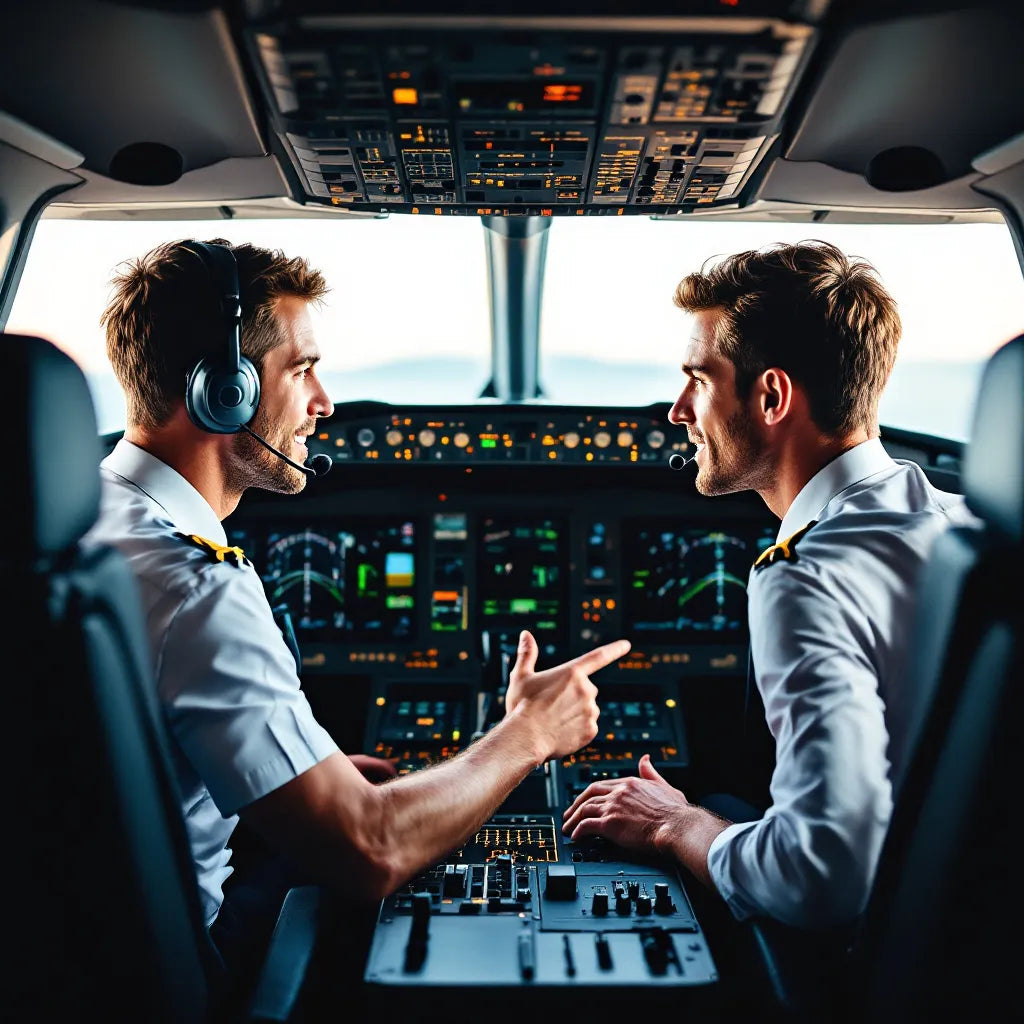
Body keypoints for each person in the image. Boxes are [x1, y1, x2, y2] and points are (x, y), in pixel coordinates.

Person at [87, 237, 630, 1010]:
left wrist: (310, 770)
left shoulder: (75, 527)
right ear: (222, 392)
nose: (324, 403)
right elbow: (371, 849)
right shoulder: (196, 585)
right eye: (301, 369)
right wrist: (529, 734)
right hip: (164, 976)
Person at [562, 240, 975, 931]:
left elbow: (818, 874)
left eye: (699, 379)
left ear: (772, 395)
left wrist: (674, 825)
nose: (677, 411)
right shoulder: (966, 522)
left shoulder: (806, 576)